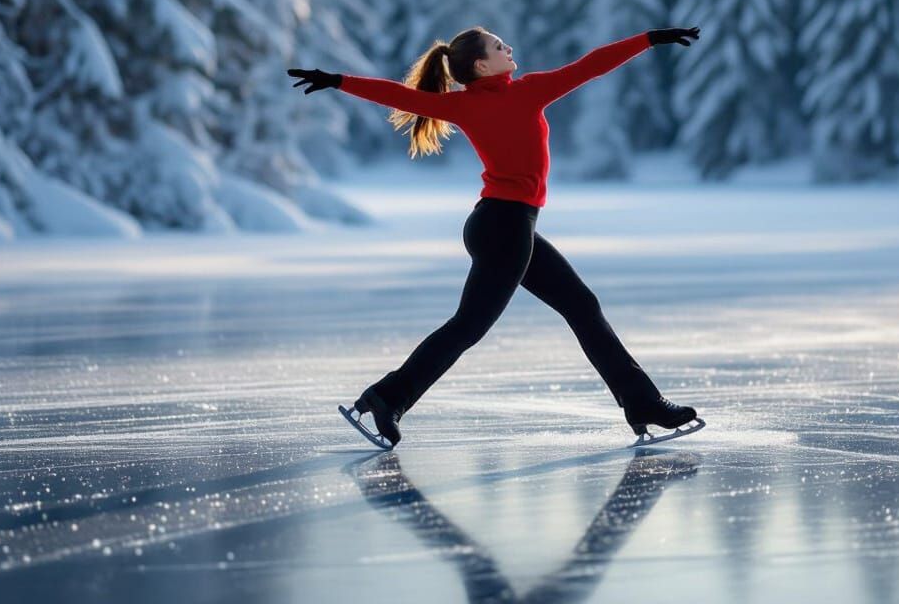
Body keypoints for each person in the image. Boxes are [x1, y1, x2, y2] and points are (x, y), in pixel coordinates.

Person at [287, 26, 701, 448]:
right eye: (500, 46)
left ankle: (642, 403)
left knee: (581, 306)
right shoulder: (522, 93)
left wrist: (338, 81)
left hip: (502, 225)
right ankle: (387, 397)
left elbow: (399, 96)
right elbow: (589, 67)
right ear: (482, 65)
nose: (510, 48)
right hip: (505, 227)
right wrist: (648, 39)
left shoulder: (479, 101)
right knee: (469, 327)